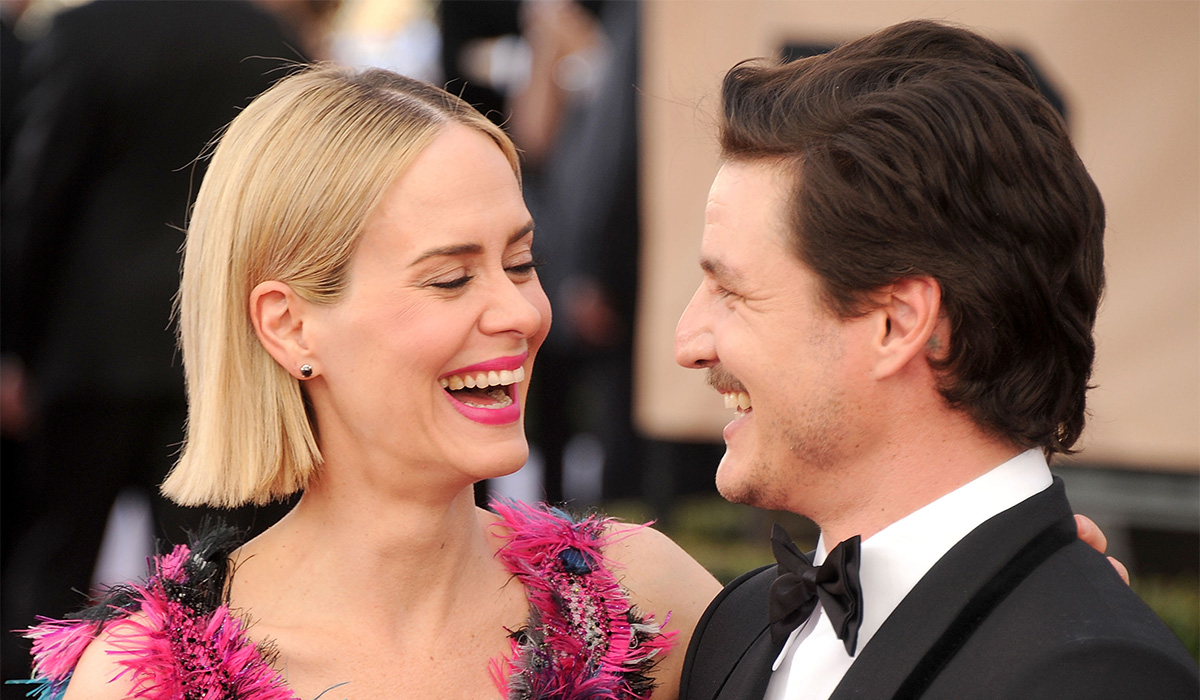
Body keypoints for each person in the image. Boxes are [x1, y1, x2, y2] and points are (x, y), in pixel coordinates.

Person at [17, 64, 720, 700]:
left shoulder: (643, 597)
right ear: (290, 327)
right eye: (450, 278)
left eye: (520, 263)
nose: (521, 313)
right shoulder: (149, 678)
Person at [674, 20, 1198, 700]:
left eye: (733, 292)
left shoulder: (1094, 679)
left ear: (898, 322)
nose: (689, 343)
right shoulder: (736, 626)